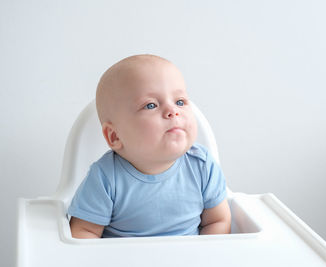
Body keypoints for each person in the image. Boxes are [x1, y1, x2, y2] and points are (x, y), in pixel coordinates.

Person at [68, 54, 231, 238]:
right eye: (151, 105)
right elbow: (83, 232)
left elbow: (218, 221)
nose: (173, 111)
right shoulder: (105, 178)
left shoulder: (202, 166)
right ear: (115, 136)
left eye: (180, 102)